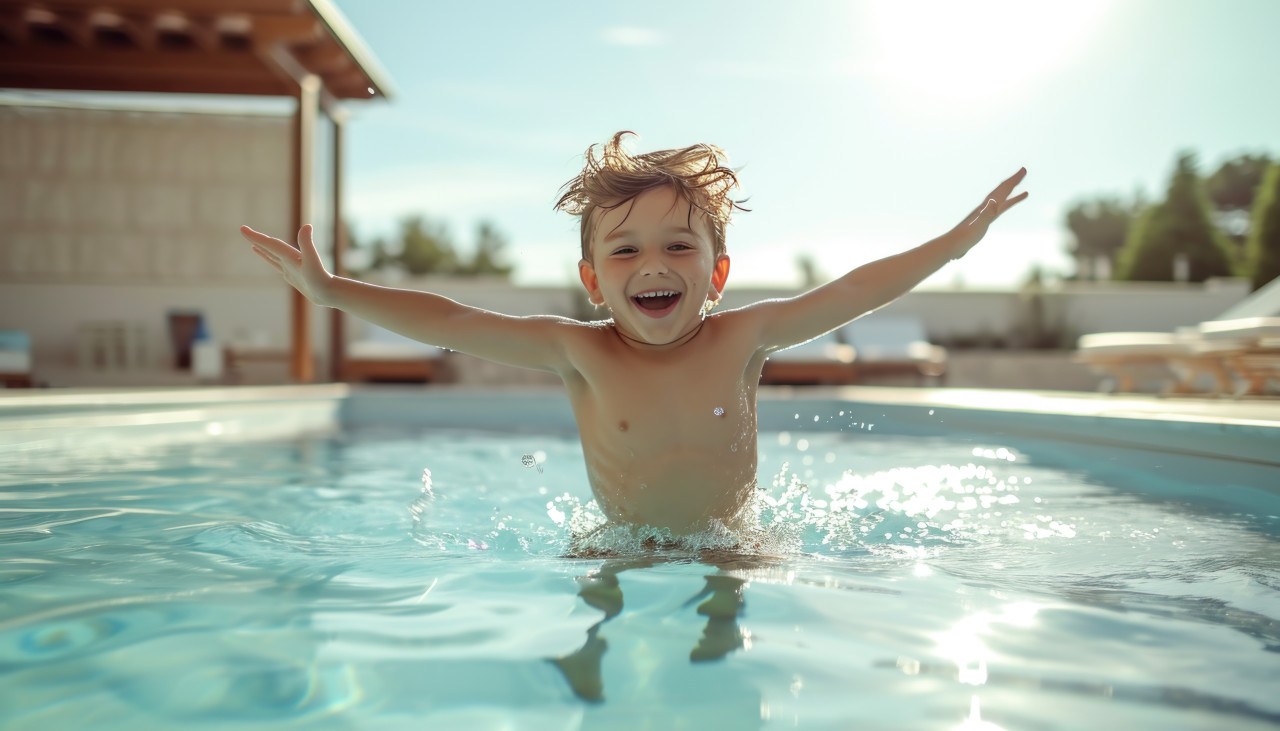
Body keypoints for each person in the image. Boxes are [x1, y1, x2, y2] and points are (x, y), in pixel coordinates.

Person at [241, 131, 1027, 538]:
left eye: (679, 245)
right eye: (624, 251)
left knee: (735, 594)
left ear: (717, 274)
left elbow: (851, 291)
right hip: (623, 542)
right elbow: (452, 321)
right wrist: (333, 291)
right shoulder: (578, 351)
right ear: (593, 281)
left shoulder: (745, 337)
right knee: (599, 589)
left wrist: (952, 246)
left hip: (727, 539)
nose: (653, 264)